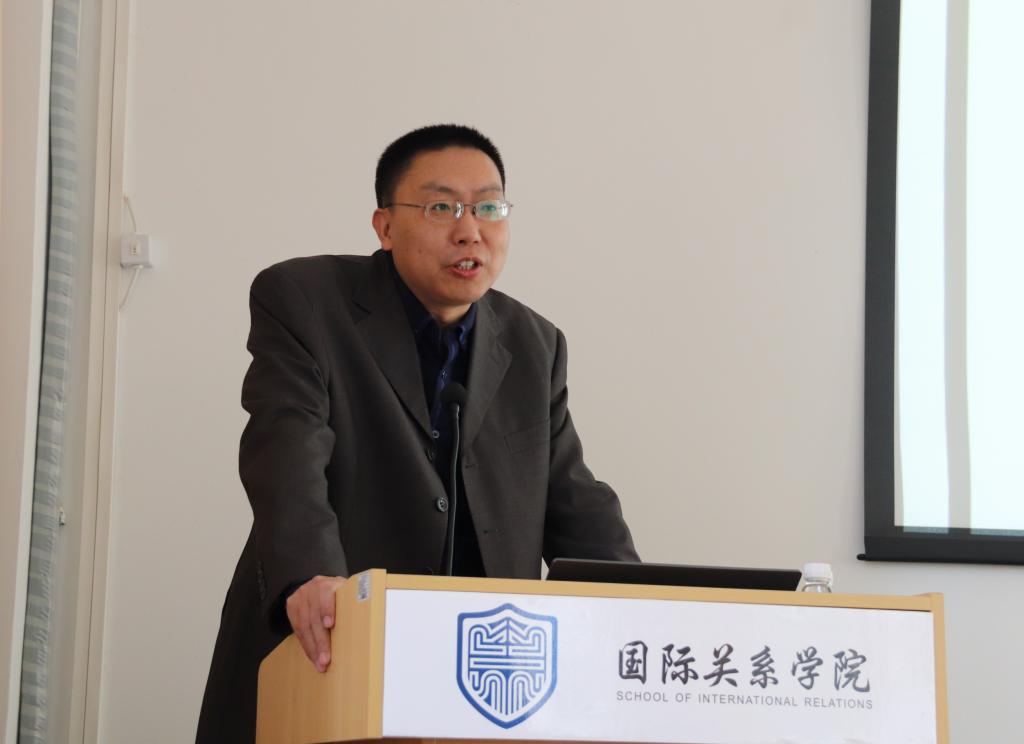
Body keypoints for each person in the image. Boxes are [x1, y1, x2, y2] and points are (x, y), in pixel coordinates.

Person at [196, 124, 638, 743]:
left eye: (489, 208)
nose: (470, 230)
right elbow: (287, 447)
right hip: (331, 650)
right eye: (441, 208)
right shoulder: (305, 300)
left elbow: (573, 496)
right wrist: (310, 576)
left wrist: (642, 603)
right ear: (384, 226)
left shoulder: (535, 343)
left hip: (482, 679)